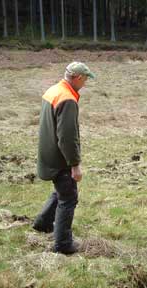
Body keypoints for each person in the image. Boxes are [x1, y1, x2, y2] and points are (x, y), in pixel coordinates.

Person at [33, 62, 95, 255]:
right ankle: (63, 244)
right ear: (77, 77)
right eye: (85, 79)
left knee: (61, 190)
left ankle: (43, 223)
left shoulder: (54, 90)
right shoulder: (67, 99)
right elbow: (67, 138)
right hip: (60, 158)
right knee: (68, 197)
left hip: (48, 153)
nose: (86, 83)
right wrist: (75, 165)